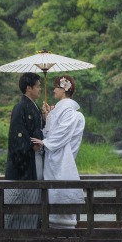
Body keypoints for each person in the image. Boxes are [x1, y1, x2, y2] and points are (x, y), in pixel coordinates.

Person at [31, 74, 85, 229]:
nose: (54, 90)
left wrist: (45, 142)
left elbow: (63, 132)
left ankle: (61, 225)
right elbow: (52, 130)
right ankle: (55, 223)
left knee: (59, 187)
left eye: (56, 87)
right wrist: (48, 116)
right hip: (53, 156)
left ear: (64, 89)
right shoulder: (61, 109)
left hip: (60, 156)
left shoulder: (69, 112)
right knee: (54, 189)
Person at [3, 72, 47, 229]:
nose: (40, 89)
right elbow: (17, 136)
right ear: (29, 88)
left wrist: (44, 118)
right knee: (19, 202)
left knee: (32, 203)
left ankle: (29, 233)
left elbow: (37, 129)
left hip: (34, 161)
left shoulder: (34, 107)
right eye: (38, 86)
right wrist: (31, 145)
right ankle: (15, 234)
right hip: (24, 166)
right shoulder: (20, 107)